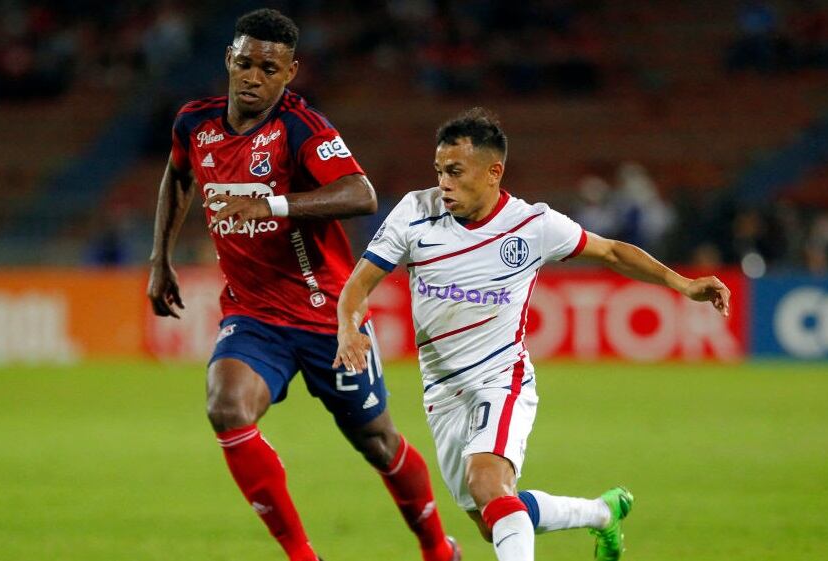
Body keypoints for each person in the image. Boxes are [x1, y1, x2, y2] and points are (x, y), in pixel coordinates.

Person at [334, 108, 732, 561]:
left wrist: (682, 283)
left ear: (492, 172)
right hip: (442, 393)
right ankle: (600, 513)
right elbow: (357, 286)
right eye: (439, 170)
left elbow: (612, 252)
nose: (443, 182)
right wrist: (348, 326)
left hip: (501, 379)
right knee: (494, 518)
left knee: (489, 484)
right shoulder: (415, 212)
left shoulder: (532, 225)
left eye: (455, 171)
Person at [147, 9, 460, 561]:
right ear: (228, 60)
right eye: (244, 63)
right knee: (226, 406)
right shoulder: (194, 123)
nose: (253, 77)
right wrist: (160, 259)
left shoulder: (300, 128)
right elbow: (178, 175)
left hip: (327, 316)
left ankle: (437, 548)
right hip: (254, 316)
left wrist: (273, 203)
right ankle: (302, 556)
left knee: (378, 442)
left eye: (268, 68)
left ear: (290, 72)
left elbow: (359, 193)